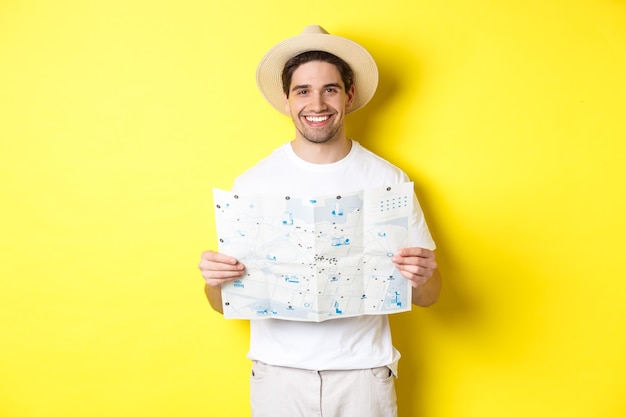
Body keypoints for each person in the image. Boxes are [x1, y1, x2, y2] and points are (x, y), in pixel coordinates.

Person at [198, 25, 441, 417]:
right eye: (303, 91)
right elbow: (222, 304)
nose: (317, 103)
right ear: (287, 99)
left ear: (349, 95)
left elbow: (430, 296)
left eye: (329, 89)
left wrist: (424, 274)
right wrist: (214, 282)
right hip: (278, 377)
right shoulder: (254, 183)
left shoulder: (387, 181)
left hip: (363, 375)